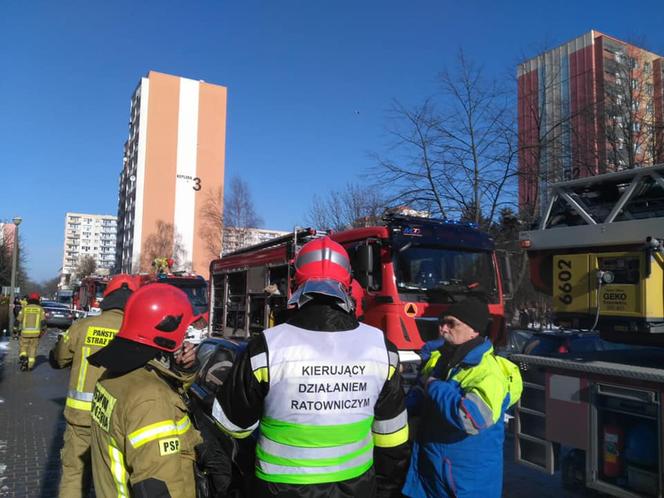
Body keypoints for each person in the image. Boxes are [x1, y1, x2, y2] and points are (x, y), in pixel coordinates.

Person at [213, 236, 410, 498]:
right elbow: (392, 439)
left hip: (278, 489)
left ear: (296, 284)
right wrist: (383, 490)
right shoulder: (382, 349)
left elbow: (231, 428)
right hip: (358, 487)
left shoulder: (266, 347)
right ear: (349, 285)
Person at [88, 283, 202, 498]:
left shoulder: (114, 375)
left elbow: (161, 387)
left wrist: (180, 368)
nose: (186, 336)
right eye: (184, 329)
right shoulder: (151, 399)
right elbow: (159, 485)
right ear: (166, 330)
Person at [402, 297, 523, 498]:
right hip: (432, 476)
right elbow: (423, 395)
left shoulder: (487, 372)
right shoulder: (445, 360)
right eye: (442, 323)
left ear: (474, 330)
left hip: (464, 484)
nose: (442, 329)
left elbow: (472, 419)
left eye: (451, 323)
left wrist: (434, 386)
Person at [49, 274, 138, 498]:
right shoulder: (137, 333)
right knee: (114, 483)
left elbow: (59, 359)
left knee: (74, 476)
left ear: (107, 298)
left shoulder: (82, 326)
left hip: (81, 420)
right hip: (118, 424)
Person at [17, 292, 45, 371]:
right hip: (36, 334)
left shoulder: (24, 308)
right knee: (33, 349)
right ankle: (30, 366)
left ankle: (23, 358)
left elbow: (18, 320)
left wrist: (15, 330)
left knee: (23, 347)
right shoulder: (40, 309)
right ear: (38, 299)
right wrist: (42, 332)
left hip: (24, 333)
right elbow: (43, 323)